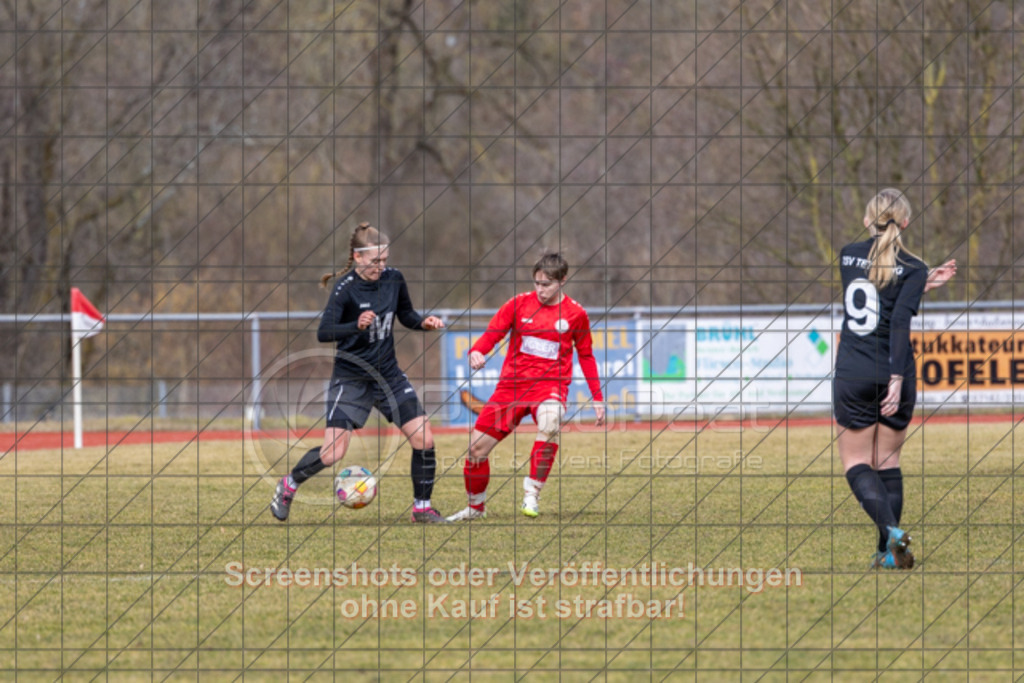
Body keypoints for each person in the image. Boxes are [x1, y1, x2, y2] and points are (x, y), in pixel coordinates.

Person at [270, 222, 449, 523]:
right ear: (358, 257)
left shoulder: (394, 279)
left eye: (385, 260)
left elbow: (405, 315)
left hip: (388, 375)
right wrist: (356, 325)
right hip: (351, 378)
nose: (382, 266)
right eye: (375, 261)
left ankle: (421, 508)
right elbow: (324, 333)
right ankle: (288, 485)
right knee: (332, 453)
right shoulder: (344, 290)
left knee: (424, 438)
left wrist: (423, 323)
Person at [834, 189, 957, 568]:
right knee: (887, 461)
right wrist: (896, 378)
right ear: (906, 222)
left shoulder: (847, 255)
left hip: (854, 371)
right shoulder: (914, 267)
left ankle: (892, 537)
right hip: (897, 371)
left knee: (857, 463)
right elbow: (897, 318)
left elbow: (876, 292)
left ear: (866, 219)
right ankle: (888, 551)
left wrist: (918, 283)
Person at [447, 253, 605, 521]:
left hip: (549, 386)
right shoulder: (518, 304)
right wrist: (477, 351)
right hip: (511, 388)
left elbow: (586, 356)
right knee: (476, 451)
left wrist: (598, 398)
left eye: (547, 284)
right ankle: (475, 509)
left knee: (551, 420)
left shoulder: (576, 314)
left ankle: (532, 492)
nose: (540, 290)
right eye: (537, 283)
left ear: (562, 280)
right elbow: (493, 334)